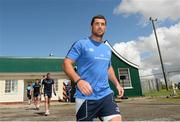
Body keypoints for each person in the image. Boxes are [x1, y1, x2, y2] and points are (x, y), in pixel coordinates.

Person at [63, 15, 124, 121]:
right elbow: (66, 63)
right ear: (91, 26)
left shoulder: (107, 49)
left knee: (116, 119)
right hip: (85, 97)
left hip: (106, 95)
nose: (100, 26)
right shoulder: (81, 44)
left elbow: (108, 68)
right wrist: (78, 81)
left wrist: (117, 84)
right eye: (97, 24)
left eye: (103, 24)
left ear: (105, 27)